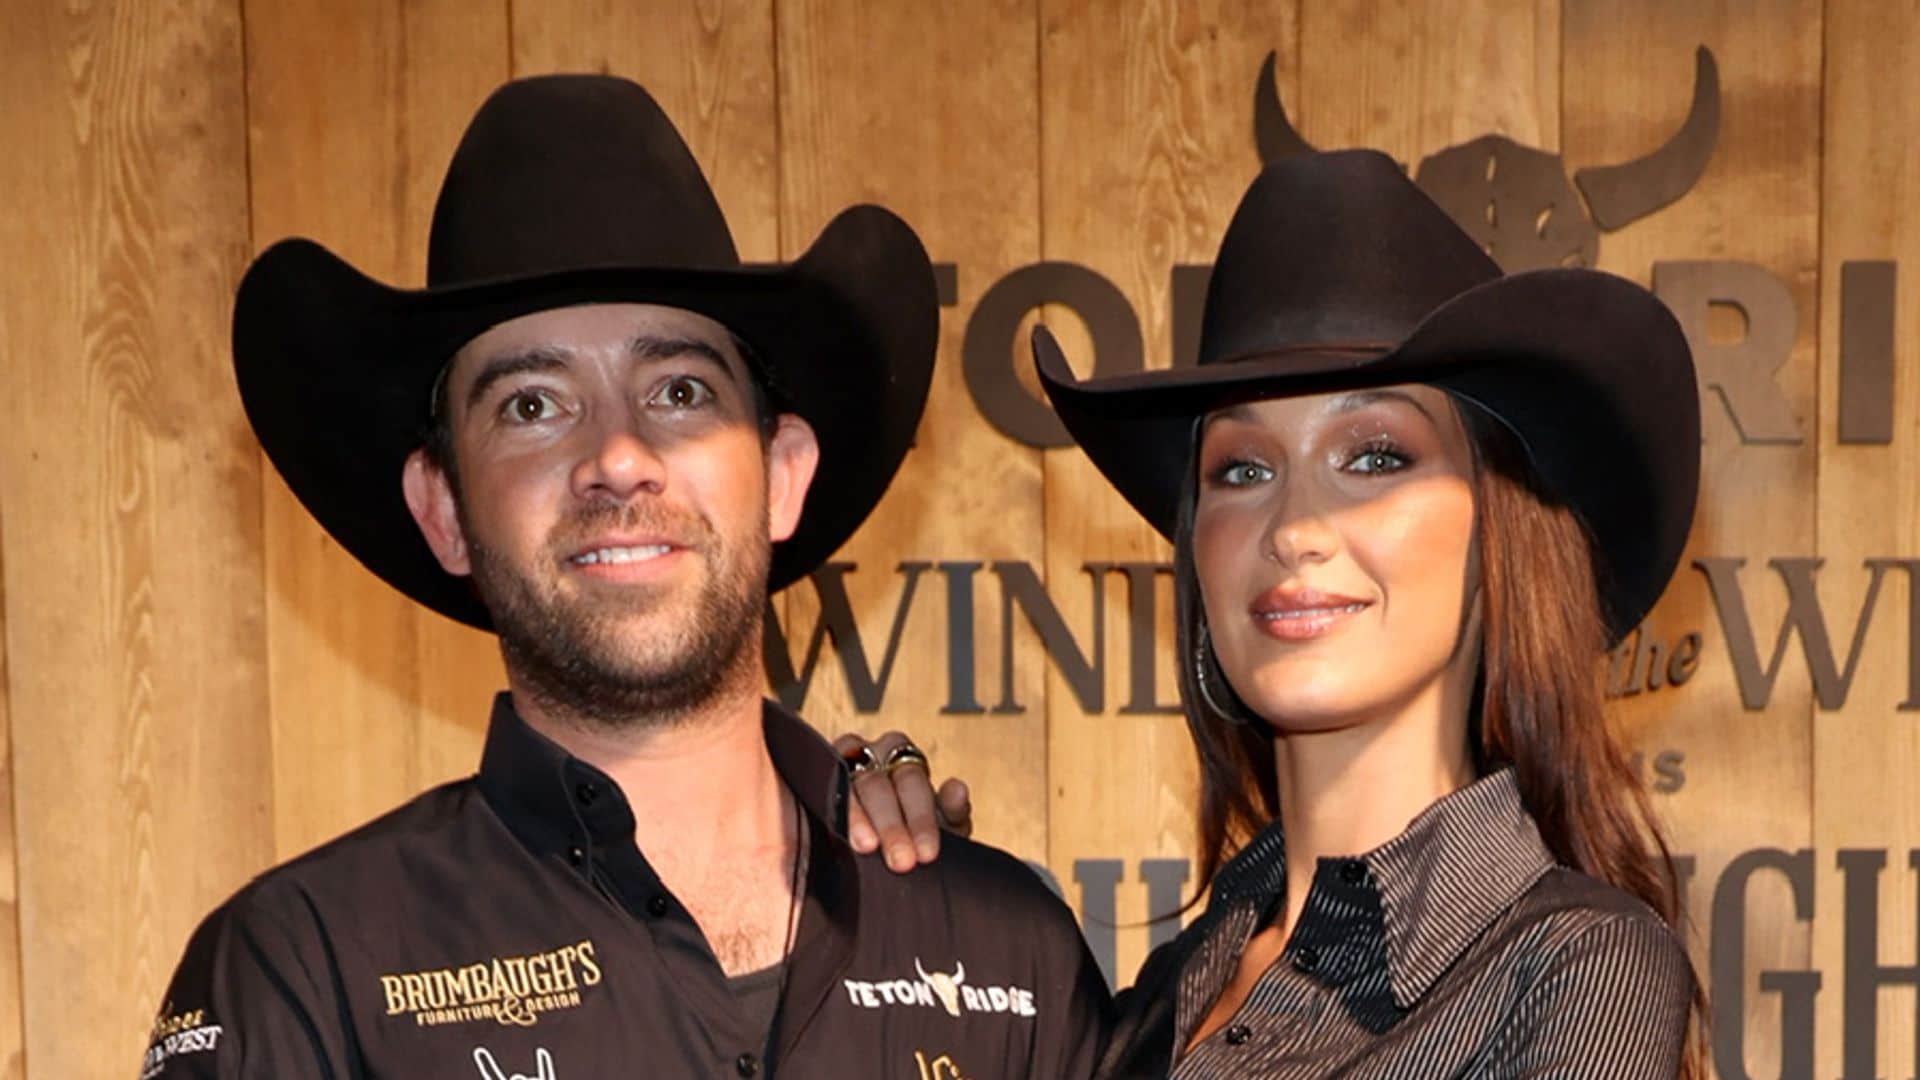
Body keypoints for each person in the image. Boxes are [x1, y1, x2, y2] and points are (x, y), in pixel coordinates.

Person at [140, 75, 1106, 1079]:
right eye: (532, 405)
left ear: (782, 477)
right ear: (444, 511)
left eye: (678, 390)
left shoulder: (1009, 954)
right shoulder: (305, 970)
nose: (618, 456)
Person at [853, 149, 1705, 1078]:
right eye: (1242, 470)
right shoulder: (1164, 997)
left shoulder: (1578, 967)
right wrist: (913, 914)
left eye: (1375, 456)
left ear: (1496, 536)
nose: (1295, 527)